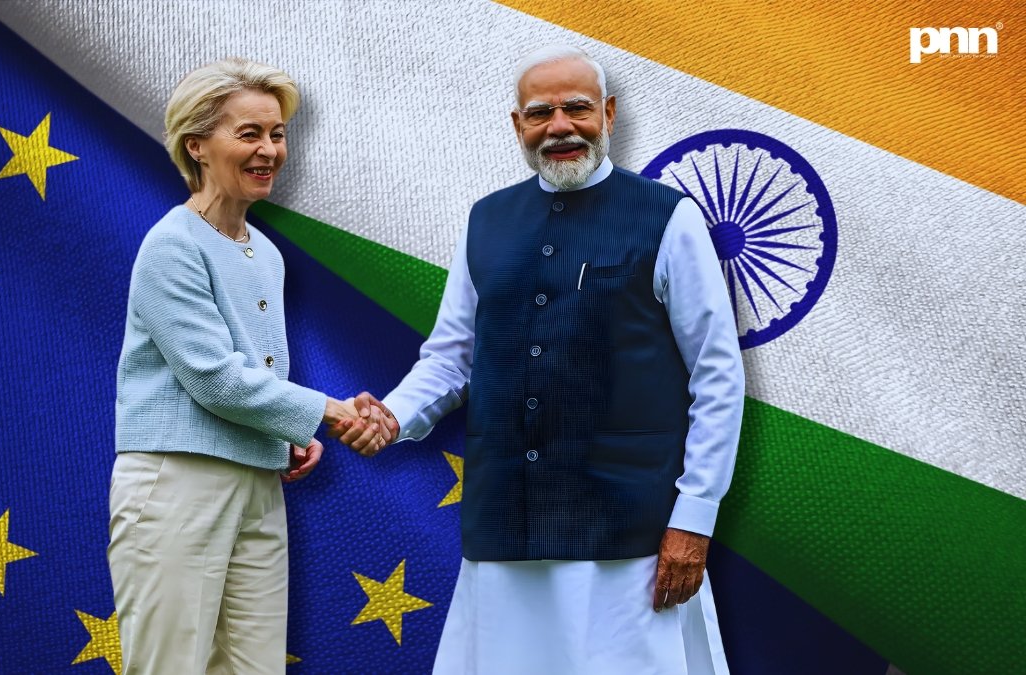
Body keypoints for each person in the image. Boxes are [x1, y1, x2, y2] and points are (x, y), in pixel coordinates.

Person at [331, 45, 744, 674]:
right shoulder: (487, 220)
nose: (560, 126)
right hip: (507, 520)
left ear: (609, 113)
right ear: (517, 124)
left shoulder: (669, 216)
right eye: (540, 113)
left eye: (577, 108)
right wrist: (392, 416)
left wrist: (696, 515)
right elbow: (452, 357)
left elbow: (717, 374)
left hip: (628, 527)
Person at [108, 58, 380, 675]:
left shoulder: (268, 255)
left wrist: (285, 433)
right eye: (249, 133)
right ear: (196, 145)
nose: (269, 150)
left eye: (277, 134)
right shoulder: (172, 244)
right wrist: (329, 412)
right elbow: (214, 379)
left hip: (258, 484)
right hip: (177, 481)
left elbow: (256, 375)